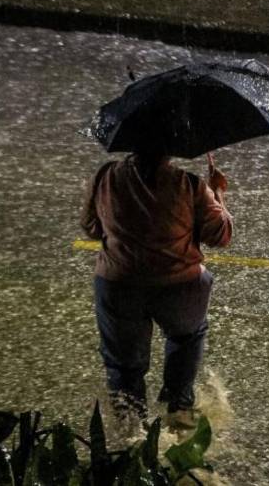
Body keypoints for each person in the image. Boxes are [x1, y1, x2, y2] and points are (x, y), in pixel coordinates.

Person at [80, 149, 232, 429]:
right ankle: (179, 406)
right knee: (188, 336)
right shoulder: (190, 185)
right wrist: (217, 193)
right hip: (180, 285)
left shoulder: (104, 177)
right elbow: (220, 235)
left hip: (119, 284)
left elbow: (91, 228)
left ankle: (131, 432)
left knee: (123, 367)